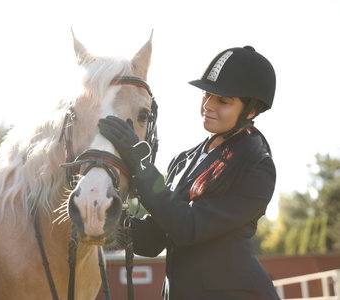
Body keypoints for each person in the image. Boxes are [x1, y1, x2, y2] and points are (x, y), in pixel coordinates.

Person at [98, 46, 280, 299]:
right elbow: (153, 240)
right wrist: (102, 219)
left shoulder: (257, 166)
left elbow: (187, 226)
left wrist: (141, 164)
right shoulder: (184, 159)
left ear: (250, 111)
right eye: (206, 95)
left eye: (223, 101)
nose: (208, 106)